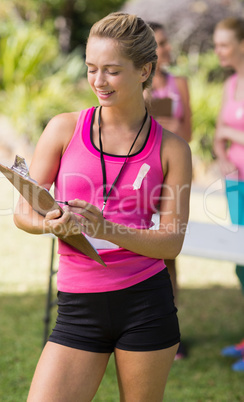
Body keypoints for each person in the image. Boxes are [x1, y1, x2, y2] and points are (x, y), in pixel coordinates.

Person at [14, 12, 192, 400]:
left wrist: (106, 228)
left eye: (111, 70)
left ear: (144, 69)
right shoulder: (63, 128)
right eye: (92, 68)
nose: (98, 81)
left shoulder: (173, 149)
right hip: (78, 308)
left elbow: (171, 243)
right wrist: (52, 225)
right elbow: (23, 210)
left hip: (147, 305)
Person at [145, 22, 192, 360]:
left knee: (170, 253)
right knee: (145, 252)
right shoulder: (139, 88)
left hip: (173, 176)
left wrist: (166, 131)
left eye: (165, 42)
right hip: (145, 177)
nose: (164, 49)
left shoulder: (180, 84)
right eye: (157, 43)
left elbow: (185, 128)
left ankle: (170, 331)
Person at [213, 17, 244, 373]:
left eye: (223, 44)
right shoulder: (230, 84)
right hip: (235, 185)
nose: (217, 50)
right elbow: (219, 135)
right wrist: (223, 157)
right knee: (242, 264)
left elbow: (227, 129)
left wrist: (229, 133)